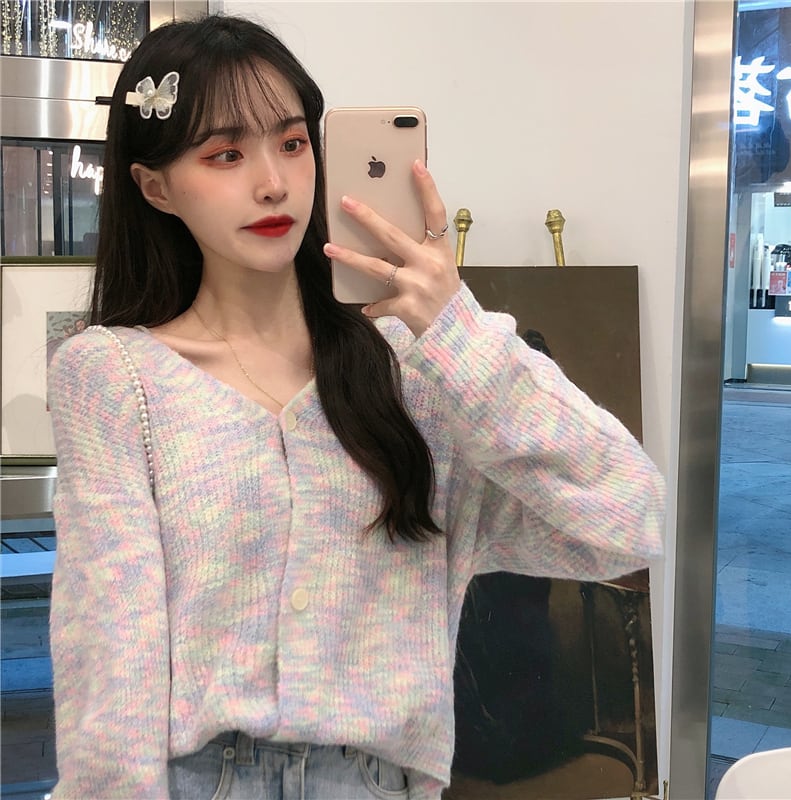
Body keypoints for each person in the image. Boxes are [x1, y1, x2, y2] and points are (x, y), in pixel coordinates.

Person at [47, 13, 665, 800]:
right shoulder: (116, 379)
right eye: (226, 154)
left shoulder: (419, 372)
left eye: (291, 142)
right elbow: (110, 657)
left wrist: (458, 332)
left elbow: (627, 521)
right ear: (155, 186)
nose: (272, 182)